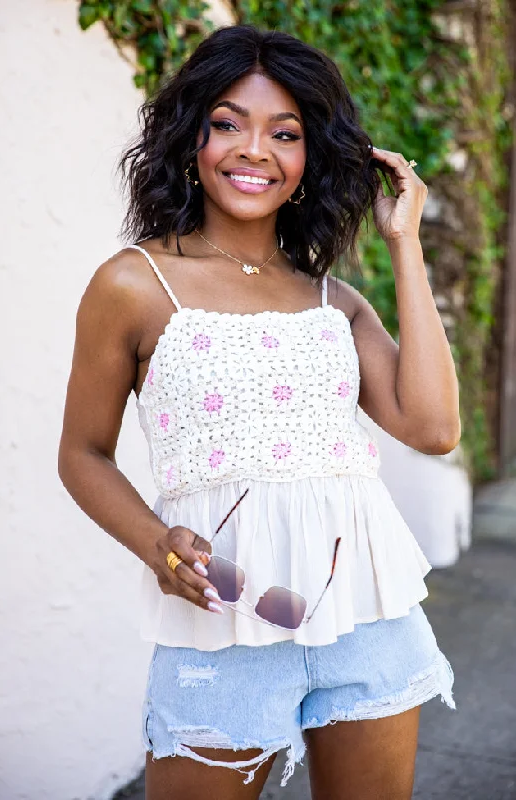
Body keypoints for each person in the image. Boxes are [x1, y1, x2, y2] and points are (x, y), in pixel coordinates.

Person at [58, 24, 459, 800]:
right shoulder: (134, 285)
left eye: (286, 133)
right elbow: (81, 453)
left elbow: (434, 428)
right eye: (227, 123)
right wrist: (154, 543)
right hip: (220, 621)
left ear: (310, 160)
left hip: (366, 619)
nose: (254, 150)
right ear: (190, 138)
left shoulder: (329, 300)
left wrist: (403, 242)